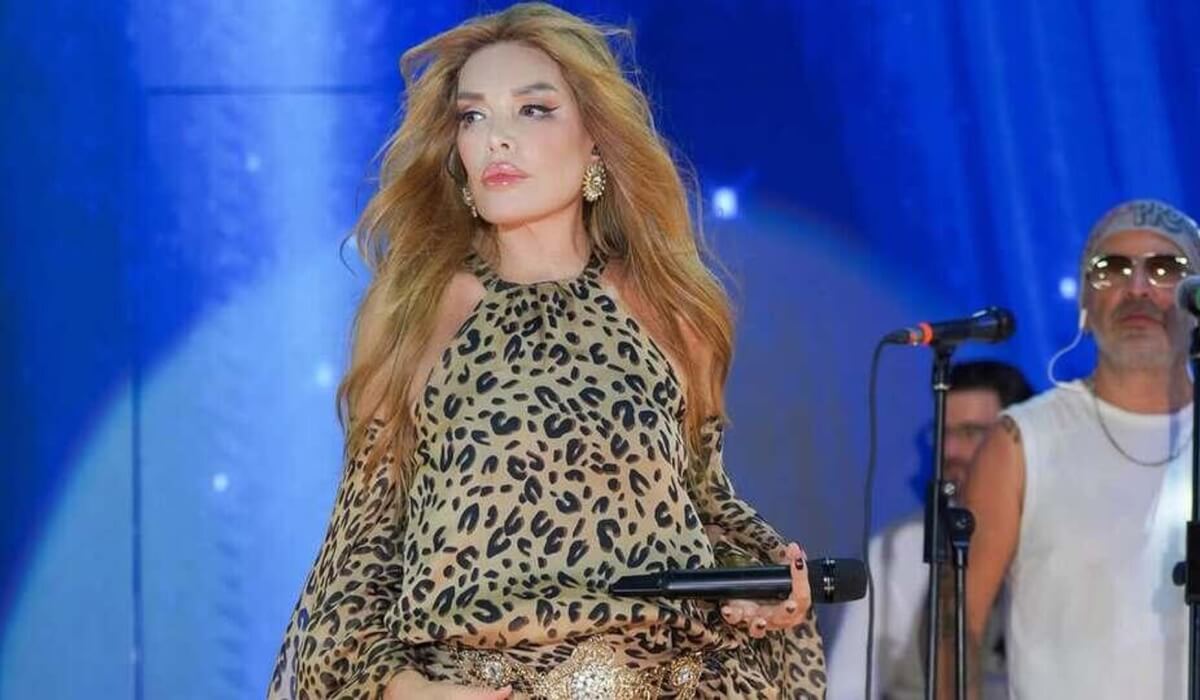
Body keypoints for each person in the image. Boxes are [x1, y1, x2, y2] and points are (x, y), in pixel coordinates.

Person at [267, 4, 826, 699]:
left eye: (532, 110)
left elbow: (701, 508)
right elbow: (362, 552)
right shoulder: (414, 315)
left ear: (595, 140)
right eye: (473, 116)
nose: (496, 138)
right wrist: (411, 691)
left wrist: (755, 582)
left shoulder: (673, 311)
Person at [961, 199, 1197, 698]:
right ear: (1085, 304)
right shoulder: (1020, 442)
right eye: (1112, 268)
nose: (1138, 288)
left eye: (1165, 268)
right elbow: (959, 624)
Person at [827, 361, 1032, 700]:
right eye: (942, 433)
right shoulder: (899, 549)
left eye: (971, 433)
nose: (950, 451)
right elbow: (846, 688)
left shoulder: (1058, 544)